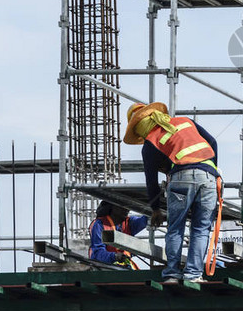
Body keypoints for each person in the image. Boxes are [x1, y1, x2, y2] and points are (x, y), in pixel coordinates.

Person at [123, 102, 223, 283]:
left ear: (140, 128)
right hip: (208, 176)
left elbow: (151, 180)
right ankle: (193, 275)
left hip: (181, 177)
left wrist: (155, 209)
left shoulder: (150, 143)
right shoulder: (185, 121)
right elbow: (213, 142)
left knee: (176, 226)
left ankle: (172, 274)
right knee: (201, 228)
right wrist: (214, 170)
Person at [88, 201, 149, 269]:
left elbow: (144, 221)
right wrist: (114, 256)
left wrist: (155, 211)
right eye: (122, 206)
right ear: (112, 207)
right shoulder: (99, 224)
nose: (127, 209)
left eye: (128, 207)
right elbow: (97, 254)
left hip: (124, 267)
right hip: (104, 267)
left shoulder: (129, 222)